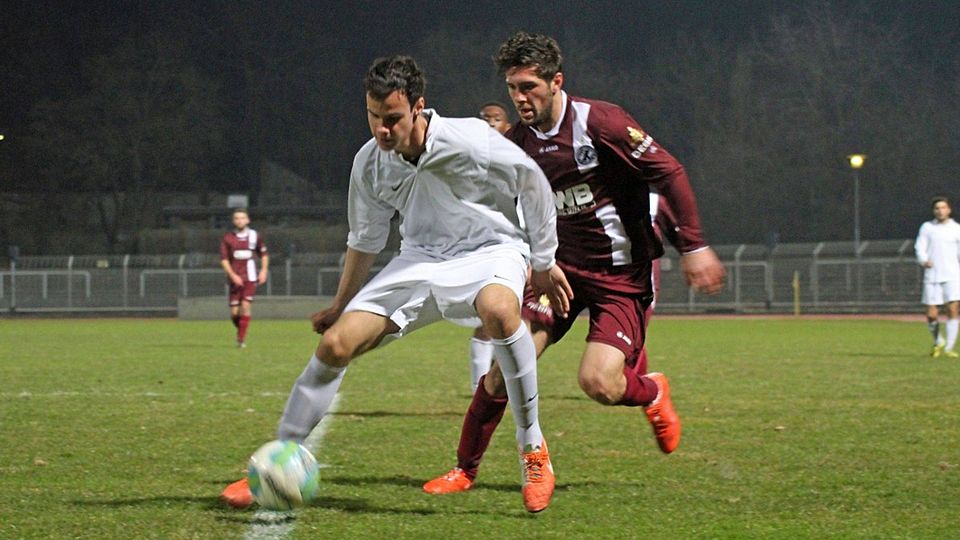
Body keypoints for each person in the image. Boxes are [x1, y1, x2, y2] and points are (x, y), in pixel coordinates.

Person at [221, 55, 572, 513]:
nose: (382, 130)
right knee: (336, 345)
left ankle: (533, 449)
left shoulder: (469, 138)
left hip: (491, 250)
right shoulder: (369, 162)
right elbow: (365, 239)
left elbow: (533, 182)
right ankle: (280, 457)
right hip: (419, 261)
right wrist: (340, 305)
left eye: (392, 119)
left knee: (501, 312)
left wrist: (543, 260)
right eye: (373, 117)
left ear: (418, 107)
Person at [424, 31, 725, 495]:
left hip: (621, 277)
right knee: (504, 368)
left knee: (598, 382)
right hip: (559, 275)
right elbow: (513, 214)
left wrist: (695, 246)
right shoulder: (517, 145)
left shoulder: (601, 122)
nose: (519, 98)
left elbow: (669, 171)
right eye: (512, 88)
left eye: (529, 87)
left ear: (556, 81)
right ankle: (465, 470)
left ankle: (652, 390)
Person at [467, 101, 514, 390]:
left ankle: (497, 381)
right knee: (488, 320)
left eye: (495, 118)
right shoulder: (469, 157)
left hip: (519, 248)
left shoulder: (519, 156)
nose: (489, 123)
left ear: (507, 126)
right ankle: (479, 387)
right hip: (485, 247)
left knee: (512, 321)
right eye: (484, 118)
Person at [914, 196, 960, 358]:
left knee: (953, 309)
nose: (940, 211)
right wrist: (923, 260)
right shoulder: (927, 227)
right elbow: (920, 247)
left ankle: (949, 348)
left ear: (949, 210)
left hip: (952, 275)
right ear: (934, 211)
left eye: (943, 208)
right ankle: (938, 341)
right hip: (932, 275)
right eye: (937, 208)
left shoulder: (956, 229)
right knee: (931, 314)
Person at [219, 208, 269, 348]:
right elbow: (224, 260)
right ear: (233, 221)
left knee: (245, 306)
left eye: (242, 218)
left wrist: (263, 271)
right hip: (235, 278)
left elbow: (264, 255)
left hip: (250, 277)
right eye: (237, 218)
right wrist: (232, 275)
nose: (240, 221)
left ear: (247, 220)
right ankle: (241, 328)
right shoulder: (228, 238)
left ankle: (241, 340)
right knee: (234, 313)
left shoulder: (254, 236)